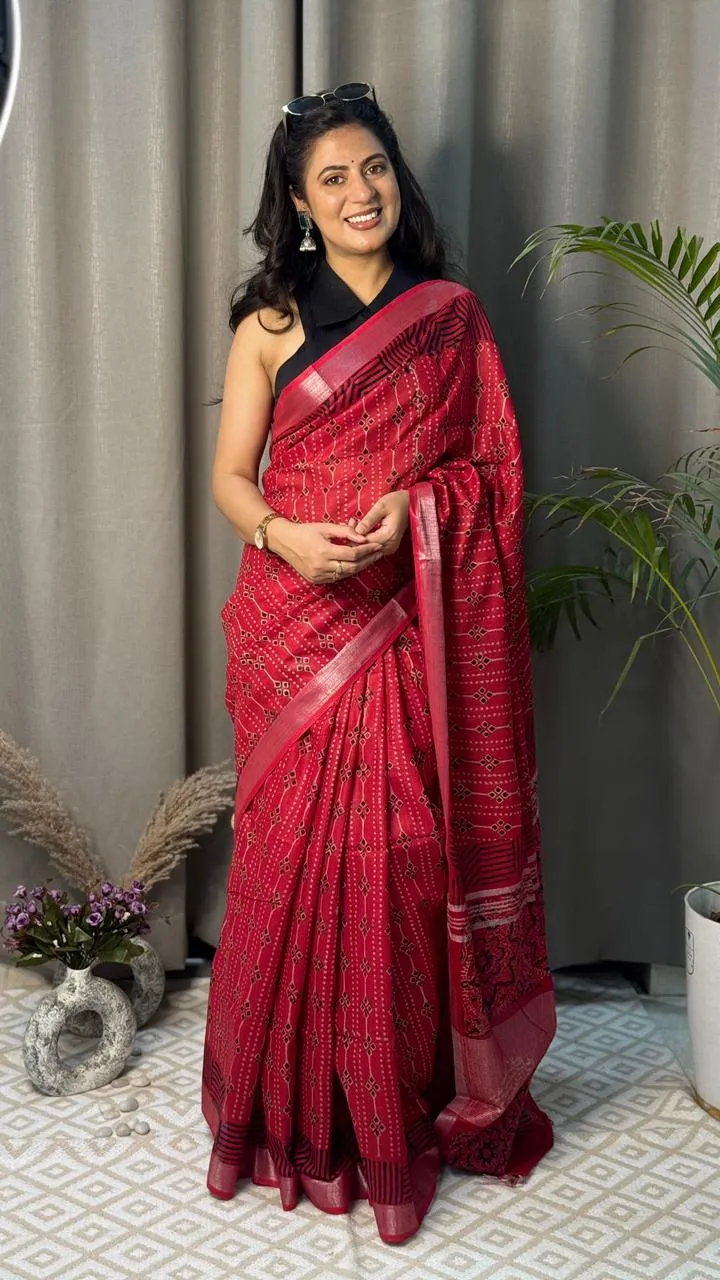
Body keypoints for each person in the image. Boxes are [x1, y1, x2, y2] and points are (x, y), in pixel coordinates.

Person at [202, 82, 556, 1246]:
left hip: (405, 630)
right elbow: (231, 478)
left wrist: (419, 507)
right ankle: (276, 1112)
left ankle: (389, 1106)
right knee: (288, 866)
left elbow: (492, 474)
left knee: (402, 863)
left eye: (374, 169)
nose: (361, 193)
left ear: (397, 178)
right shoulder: (269, 321)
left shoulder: (449, 318)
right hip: (291, 629)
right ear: (300, 204)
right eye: (333, 179)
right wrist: (283, 536)